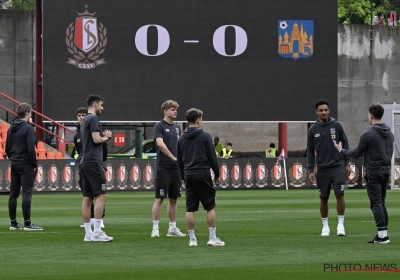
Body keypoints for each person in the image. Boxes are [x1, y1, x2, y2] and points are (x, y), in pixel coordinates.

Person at [333, 104, 394, 244]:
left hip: (373, 172)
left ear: (371, 116)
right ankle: (383, 234)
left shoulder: (368, 134)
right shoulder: (390, 133)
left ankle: (382, 236)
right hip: (385, 171)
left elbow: (356, 153)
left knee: (376, 203)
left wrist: (340, 150)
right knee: (381, 202)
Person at [177, 108, 224, 247]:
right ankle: (212, 238)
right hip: (202, 173)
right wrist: (217, 174)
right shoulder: (205, 136)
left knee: (190, 208)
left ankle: (192, 240)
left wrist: (183, 177)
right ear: (198, 120)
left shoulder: (181, 139)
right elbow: (212, 157)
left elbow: (179, 161)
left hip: (189, 174)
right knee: (210, 206)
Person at [307, 100, 351, 237]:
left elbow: (345, 144)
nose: (324, 112)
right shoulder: (313, 129)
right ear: (317, 112)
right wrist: (310, 170)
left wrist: (347, 162)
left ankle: (340, 225)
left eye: (326, 110)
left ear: (329, 110)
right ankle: (325, 227)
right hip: (322, 168)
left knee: (339, 194)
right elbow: (310, 151)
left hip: (337, 165)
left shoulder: (337, 125)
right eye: (321, 110)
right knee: (323, 198)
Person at [151, 100, 186, 238]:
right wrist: (173, 157)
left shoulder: (177, 128)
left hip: (175, 168)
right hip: (163, 167)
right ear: (165, 111)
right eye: (172, 109)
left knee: (174, 199)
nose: (175, 111)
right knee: (159, 198)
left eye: (176, 109)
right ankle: (155, 228)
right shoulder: (159, 126)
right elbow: (160, 144)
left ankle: (172, 228)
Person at [80, 95, 113, 242]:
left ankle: (88, 234)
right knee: (102, 196)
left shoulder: (85, 120)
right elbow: (96, 139)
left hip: (85, 161)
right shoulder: (92, 119)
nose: (102, 108)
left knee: (87, 198)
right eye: (101, 105)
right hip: (93, 161)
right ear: (94, 104)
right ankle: (98, 231)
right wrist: (106, 137)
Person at [5, 103, 42, 231]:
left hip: (14, 163)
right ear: (27, 113)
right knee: (27, 193)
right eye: (31, 112)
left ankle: (13, 223)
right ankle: (27, 223)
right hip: (26, 164)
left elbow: (7, 148)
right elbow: (31, 149)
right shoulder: (28, 128)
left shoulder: (11, 128)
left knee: (13, 194)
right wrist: (34, 164)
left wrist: (13, 158)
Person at [71, 107, 106, 229]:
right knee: (88, 194)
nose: (81, 117)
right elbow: (77, 151)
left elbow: (103, 147)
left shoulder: (94, 129)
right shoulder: (77, 136)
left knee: (99, 193)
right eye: (79, 115)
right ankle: (90, 220)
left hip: (94, 162)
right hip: (84, 164)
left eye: (83, 115)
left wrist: (101, 162)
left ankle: (99, 219)